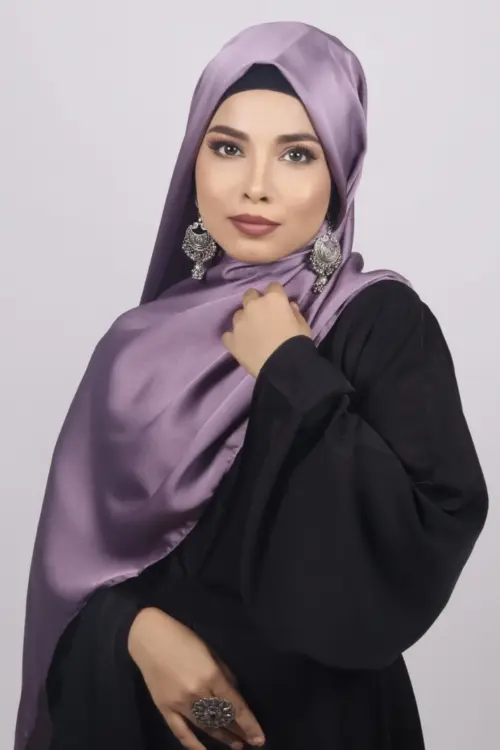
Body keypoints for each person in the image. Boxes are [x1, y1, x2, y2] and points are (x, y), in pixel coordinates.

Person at [15, 20, 488, 750]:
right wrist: (135, 633)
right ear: (193, 161)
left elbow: (424, 539)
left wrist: (289, 368)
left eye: (297, 153)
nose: (256, 185)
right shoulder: (134, 346)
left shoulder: (379, 322)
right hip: (145, 722)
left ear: (339, 172)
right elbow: (70, 582)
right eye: (228, 147)